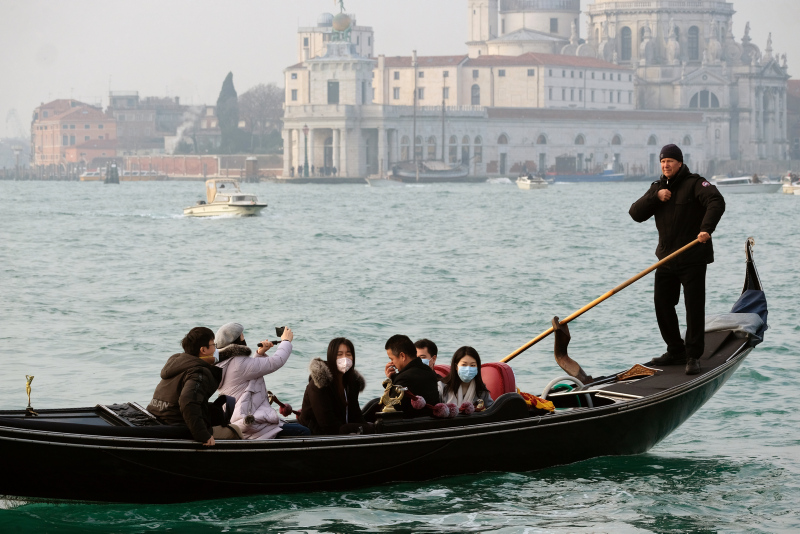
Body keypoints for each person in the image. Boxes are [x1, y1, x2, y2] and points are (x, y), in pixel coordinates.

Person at [629, 144, 725, 375]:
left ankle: (693, 356)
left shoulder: (695, 183)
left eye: (670, 161)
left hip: (693, 257)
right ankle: (675, 350)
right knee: (662, 304)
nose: (666, 165)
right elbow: (635, 213)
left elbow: (716, 202)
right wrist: (655, 197)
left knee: (693, 308)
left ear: (679, 163)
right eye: (663, 162)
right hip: (667, 260)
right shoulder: (657, 188)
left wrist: (706, 228)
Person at [215, 322, 310, 439]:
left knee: (297, 427)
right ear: (237, 340)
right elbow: (275, 362)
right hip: (252, 425)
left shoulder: (226, 363)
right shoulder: (238, 363)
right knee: (304, 432)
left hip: (241, 420)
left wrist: (260, 353)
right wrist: (286, 341)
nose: (244, 337)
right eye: (242, 335)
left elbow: (248, 372)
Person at [148, 327, 241, 446]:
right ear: (203, 350)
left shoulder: (178, 361)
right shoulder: (198, 372)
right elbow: (188, 401)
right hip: (177, 425)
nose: (215, 348)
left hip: (159, 416)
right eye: (213, 344)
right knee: (235, 430)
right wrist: (203, 435)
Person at [298, 337, 371, 435]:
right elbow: (326, 423)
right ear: (331, 357)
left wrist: (367, 429)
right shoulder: (319, 385)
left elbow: (355, 414)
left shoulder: (352, 382)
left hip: (340, 432)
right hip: (315, 436)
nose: (344, 358)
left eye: (348, 354)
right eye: (339, 354)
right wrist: (348, 430)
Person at [384, 334, 439, 416]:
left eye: (392, 359)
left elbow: (389, 410)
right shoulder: (429, 372)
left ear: (402, 356)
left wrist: (390, 382)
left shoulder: (404, 378)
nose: (392, 363)